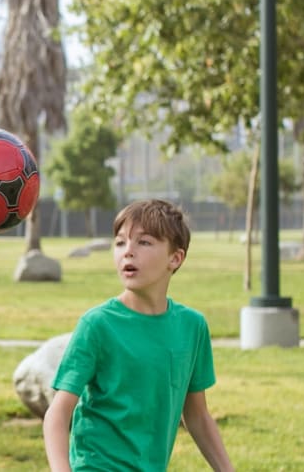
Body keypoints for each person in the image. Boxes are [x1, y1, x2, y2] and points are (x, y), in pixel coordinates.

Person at [44, 200, 232, 472]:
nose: (128, 252)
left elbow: (197, 415)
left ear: (175, 258)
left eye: (144, 242)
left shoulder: (192, 327)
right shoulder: (97, 325)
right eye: (120, 243)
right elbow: (58, 414)